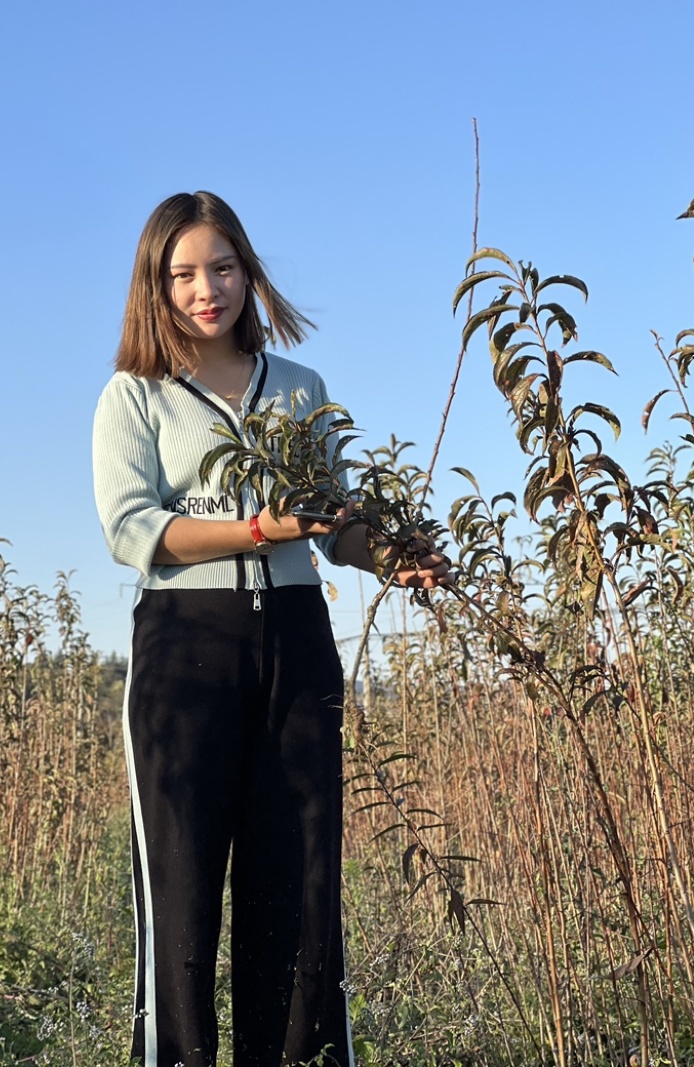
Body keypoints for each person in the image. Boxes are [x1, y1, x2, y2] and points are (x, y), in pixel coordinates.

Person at [92, 191, 451, 1067]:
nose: (205, 288)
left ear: (249, 272)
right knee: (180, 893)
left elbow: (332, 521)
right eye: (182, 273)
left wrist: (394, 553)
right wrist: (259, 528)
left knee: (296, 885)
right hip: (184, 649)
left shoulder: (300, 389)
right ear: (155, 285)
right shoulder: (133, 396)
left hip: (296, 643)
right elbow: (133, 530)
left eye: (222, 266)